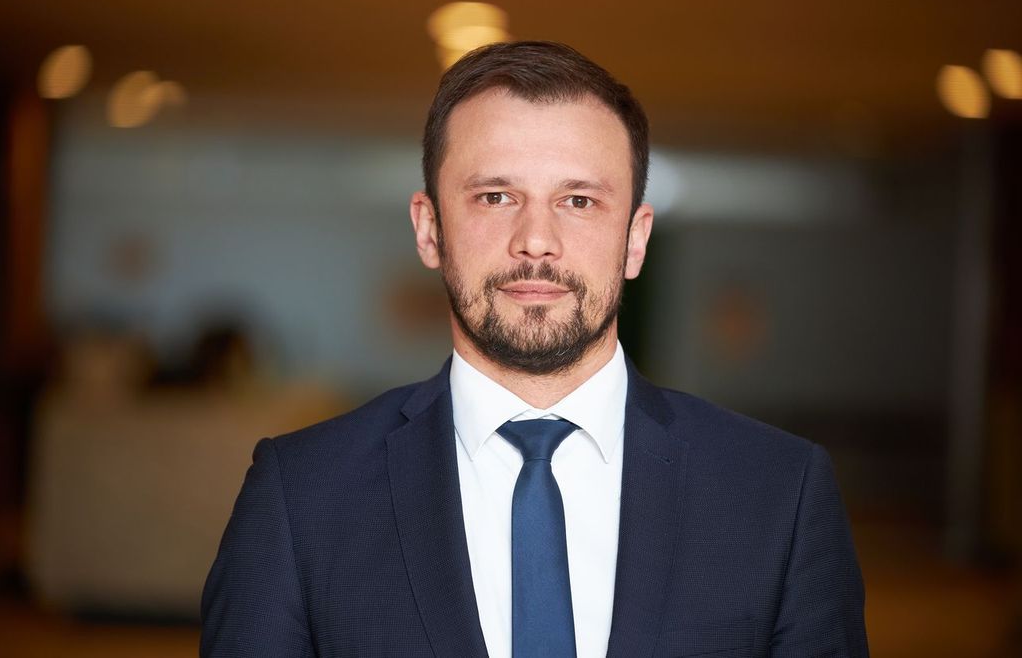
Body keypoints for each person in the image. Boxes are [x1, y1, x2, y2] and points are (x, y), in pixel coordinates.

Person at [201, 41, 869, 657]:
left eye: (578, 200)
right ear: (429, 229)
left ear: (636, 240)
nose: (537, 241)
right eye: (496, 196)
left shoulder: (779, 492)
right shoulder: (301, 493)